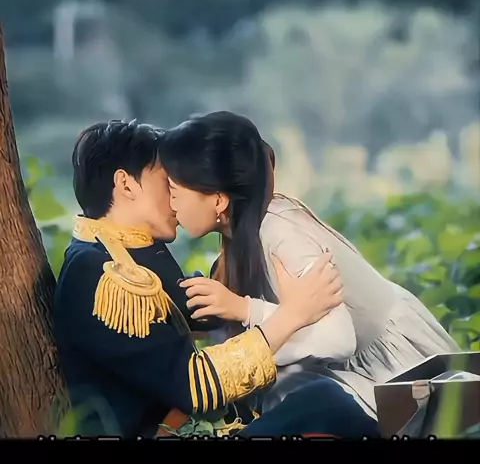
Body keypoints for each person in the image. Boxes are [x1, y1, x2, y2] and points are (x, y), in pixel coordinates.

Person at [53, 119, 380, 439]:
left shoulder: (125, 250)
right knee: (324, 400)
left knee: (315, 392)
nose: (175, 197)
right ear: (126, 185)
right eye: (168, 182)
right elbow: (195, 385)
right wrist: (291, 316)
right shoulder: (100, 275)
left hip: (200, 425)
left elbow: (196, 310)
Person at [158, 111, 460, 418]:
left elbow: (338, 338)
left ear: (218, 200)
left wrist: (244, 309)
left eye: (174, 191)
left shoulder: (281, 232)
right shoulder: (239, 239)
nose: (170, 203)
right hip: (349, 373)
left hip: (397, 371)